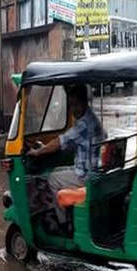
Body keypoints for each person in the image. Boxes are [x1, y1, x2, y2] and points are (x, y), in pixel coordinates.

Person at [27, 85, 106, 223]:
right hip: (93, 170)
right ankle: (66, 211)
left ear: (84, 102)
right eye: (71, 105)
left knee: (52, 179)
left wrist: (38, 151)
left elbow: (60, 141)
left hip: (85, 175)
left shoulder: (84, 125)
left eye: (76, 105)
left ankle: (62, 222)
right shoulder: (92, 118)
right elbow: (73, 140)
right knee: (57, 170)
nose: (73, 109)